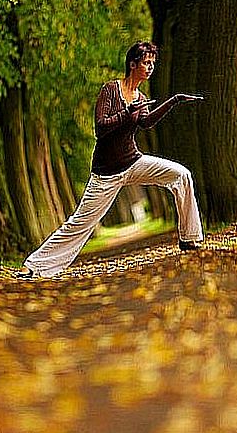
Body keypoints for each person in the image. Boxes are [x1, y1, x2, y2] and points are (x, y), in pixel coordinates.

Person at [16, 41, 204, 278]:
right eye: (146, 63)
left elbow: (145, 122)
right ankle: (34, 265)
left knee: (181, 174)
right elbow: (101, 128)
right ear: (133, 64)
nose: (150, 68)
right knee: (79, 223)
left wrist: (174, 100)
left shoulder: (140, 96)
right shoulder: (110, 90)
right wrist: (128, 112)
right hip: (106, 173)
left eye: (152, 64)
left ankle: (190, 238)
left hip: (133, 162)